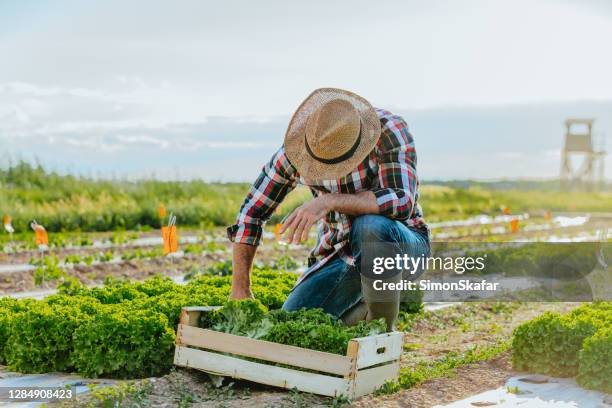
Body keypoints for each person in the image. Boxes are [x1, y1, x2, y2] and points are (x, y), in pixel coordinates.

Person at [227, 88, 430, 330]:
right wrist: (240, 288)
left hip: (401, 245)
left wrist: (329, 200)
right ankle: (364, 312)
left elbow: (401, 202)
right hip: (340, 254)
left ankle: (381, 332)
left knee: (370, 227)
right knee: (295, 324)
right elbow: (251, 213)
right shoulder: (300, 149)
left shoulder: (388, 130)